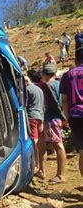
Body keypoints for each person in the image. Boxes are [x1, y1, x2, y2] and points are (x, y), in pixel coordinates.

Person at [35, 63, 67, 183]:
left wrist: (63, 117)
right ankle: (41, 171)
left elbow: (54, 103)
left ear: (44, 74)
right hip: (54, 118)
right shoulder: (59, 83)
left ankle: (60, 175)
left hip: (51, 118)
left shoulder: (48, 85)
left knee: (58, 145)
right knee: (42, 144)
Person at [59, 47, 83, 177]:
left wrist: (66, 118)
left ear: (75, 60)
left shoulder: (67, 75)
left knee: (82, 152)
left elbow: (64, 100)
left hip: (75, 115)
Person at [25, 74, 44, 173]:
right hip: (40, 116)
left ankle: (36, 165)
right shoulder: (39, 89)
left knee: (33, 141)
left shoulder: (27, 89)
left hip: (31, 116)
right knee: (40, 141)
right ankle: (41, 167)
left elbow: (25, 104)